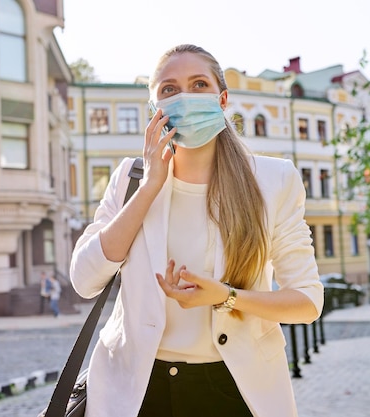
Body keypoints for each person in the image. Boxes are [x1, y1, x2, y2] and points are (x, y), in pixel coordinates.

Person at [70, 44, 323, 417]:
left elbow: (306, 302)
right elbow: (84, 279)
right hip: (135, 391)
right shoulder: (130, 177)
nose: (185, 97)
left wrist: (225, 297)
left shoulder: (274, 180)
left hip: (233, 387)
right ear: (153, 107)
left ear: (222, 99)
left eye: (199, 84)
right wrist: (150, 186)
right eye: (169, 89)